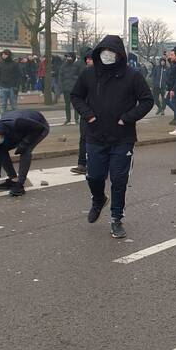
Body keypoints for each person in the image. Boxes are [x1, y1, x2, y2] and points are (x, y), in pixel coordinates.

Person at [71, 35, 154, 238]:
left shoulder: (132, 75)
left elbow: (147, 100)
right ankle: (98, 199)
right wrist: (88, 115)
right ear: (98, 53)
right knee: (94, 176)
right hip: (95, 136)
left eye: (111, 52)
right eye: (104, 51)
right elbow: (76, 96)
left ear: (119, 54)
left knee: (119, 180)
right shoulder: (89, 74)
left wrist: (127, 118)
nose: (107, 55)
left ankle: (116, 219)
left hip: (122, 138)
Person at [0, 110, 50, 197]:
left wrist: (25, 143)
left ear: (0, 132)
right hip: (19, 131)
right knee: (0, 150)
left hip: (39, 126)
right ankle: (13, 180)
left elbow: (38, 128)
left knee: (25, 151)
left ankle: (19, 184)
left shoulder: (17, 122)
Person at [70, 48, 94, 175]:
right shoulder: (84, 74)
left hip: (98, 113)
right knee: (84, 138)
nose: (89, 61)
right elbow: (77, 95)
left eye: (91, 59)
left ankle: (94, 163)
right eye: (87, 59)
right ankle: (82, 163)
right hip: (86, 113)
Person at [0, 49, 21, 114]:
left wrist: (16, 87)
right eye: (2, 54)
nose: (3, 56)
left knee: (14, 106)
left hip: (12, 87)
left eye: (5, 54)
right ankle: (3, 121)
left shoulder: (15, 64)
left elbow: (18, 76)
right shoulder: (0, 64)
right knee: (3, 106)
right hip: (2, 87)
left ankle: (15, 121)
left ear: (9, 55)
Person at [58, 53, 82, 125]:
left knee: (76, 105)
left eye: (70, 57)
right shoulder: (63, 66)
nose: (68, 58)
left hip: (75, 88)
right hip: (66, 89)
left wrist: (75, 79)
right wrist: (61, 86)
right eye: (67, 57)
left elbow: (80, 75)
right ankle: (68, 119)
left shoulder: (76, 66)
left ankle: (76, 119)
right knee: (67, 105)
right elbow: (60, 76)